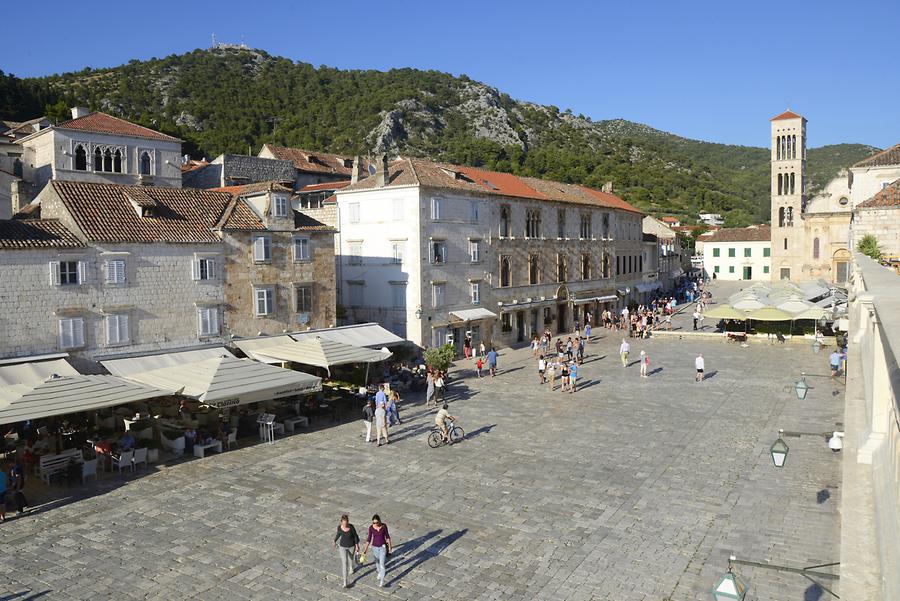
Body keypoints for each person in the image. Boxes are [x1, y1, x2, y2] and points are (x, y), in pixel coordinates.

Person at [363, 514, 392, 587]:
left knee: (382, 564)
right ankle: (379, 572)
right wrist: (365, 550)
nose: (375, 524)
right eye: (373, 523)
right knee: (377, 563)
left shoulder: (384, 526)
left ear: (379, 521)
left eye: (376, 522)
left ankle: (382, 581)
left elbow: (387, 536)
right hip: (374, 547)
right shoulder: (371, 528)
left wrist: (390, 547)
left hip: (383, 547)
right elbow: (369, 539)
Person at [332, 514, 360, 588]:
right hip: (342, 547)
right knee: (344, 563)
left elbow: (355, 536)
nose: (345, 525)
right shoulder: (339, 528)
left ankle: (351, 567)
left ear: (348, 522)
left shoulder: (351, 527)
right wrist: (334, 540)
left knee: (351, 558)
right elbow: (338, 534)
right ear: (341, 522)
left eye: (346, 523)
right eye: (344, 523)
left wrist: (357, 545)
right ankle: (345, 582)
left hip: (351, 546)